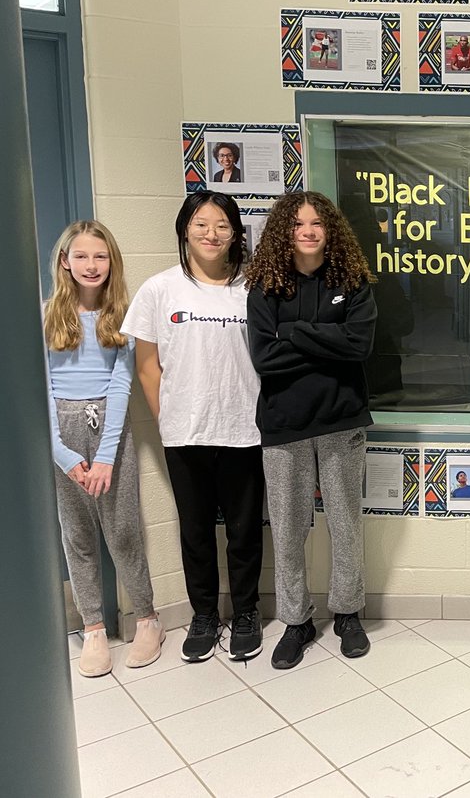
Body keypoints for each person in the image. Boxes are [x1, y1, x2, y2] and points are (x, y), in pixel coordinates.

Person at [122, 191, 265, 664]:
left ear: (235, 233)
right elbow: (147, 366)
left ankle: (246, 613)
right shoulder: (159, 290)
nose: (211, 233)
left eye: (222, 225)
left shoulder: (253, 289)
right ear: (185, 230)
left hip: (244, 429)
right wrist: (171, 420)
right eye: (201, 224)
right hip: (184, 434)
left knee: (244, 531)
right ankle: (204, 615)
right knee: (196, 531)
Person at [245, 191, 378, 670]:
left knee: (345, 523)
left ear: (330, 230)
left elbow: (359, 344)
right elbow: (264, 358)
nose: (308, 230)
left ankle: (347, 613)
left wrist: (294, 332)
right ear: (285, 230)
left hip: (342, 420)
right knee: (288, 528)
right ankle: (296, 621)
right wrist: (328, 339)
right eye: (298, 223)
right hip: (284, 425)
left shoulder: (354, 281)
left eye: (317, 223)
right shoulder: (263, 287)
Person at [45, 221, 162, 677]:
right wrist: (66, 456)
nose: (91, 265)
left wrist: (107, 456)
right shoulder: (45, 315)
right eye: (81, 256)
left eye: (100, 256)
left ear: (111, 261)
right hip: (61, 431)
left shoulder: (123, 319)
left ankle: (148, 620)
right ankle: (93, 626)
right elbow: (40, 389)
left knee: (123, 531)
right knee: (76, 534)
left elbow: (120, 386)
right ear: (65, 262)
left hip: (109, 428)